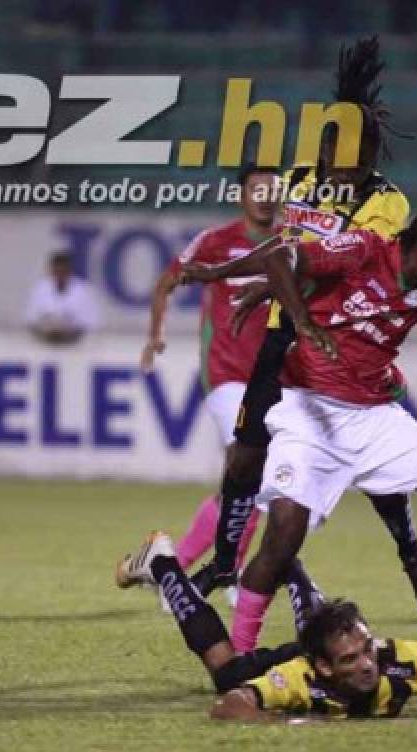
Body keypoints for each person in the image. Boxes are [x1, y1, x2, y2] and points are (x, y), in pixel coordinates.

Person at [184, 207, 417, 661]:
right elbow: (282, 256)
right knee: (283, 536)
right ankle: (239, 658)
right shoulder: (363, 250)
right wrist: (299, 319)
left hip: (374, 417)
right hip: (307, 409)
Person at [190, 36, 417, 618]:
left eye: (362, 151)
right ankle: (226, 562)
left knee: (368, 464)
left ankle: (409, 549)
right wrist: (263, 283)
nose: (349, 160)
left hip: (349, 341)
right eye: (339, 146)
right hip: (286, 340)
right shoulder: (298, 182)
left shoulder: (388, 204)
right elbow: (289, 249)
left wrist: (273, 280)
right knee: (244, 457)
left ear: (374, 155)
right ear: (326, 147)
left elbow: (346, 261)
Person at [116, 531, 417, 721]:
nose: (368, 665)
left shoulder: (400, 659)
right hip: (299, 659)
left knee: (327, 625)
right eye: (352, 660)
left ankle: (286, 565)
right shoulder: (299, 679)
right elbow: (229, 706)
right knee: (225, 674)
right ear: (323, 667)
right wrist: (288, 720)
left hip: (330, 645)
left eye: (367, 651)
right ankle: (162, 564)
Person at [140, 164, 283, 594]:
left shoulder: (292, 244)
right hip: (227, 376)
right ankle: (205, 575)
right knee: (251, 467)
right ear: (241, 196)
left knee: (251, 483)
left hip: (277, 379)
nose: (264, 196)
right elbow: (167, 281)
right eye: (255, 189)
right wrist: (155, 335)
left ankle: (173, 570)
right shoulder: (216, 241)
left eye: (272, 189)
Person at [24, 251, 100, 345]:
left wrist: (69, 330)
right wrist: (47, 329)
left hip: (76, 344)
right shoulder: (40, 288)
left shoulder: (83, 290)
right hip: (44, 341)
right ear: (51, 270)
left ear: (70, 271)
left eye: (63, 271)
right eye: (57, 271)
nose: (60, 275)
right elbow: (30, 318)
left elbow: (91, 321)